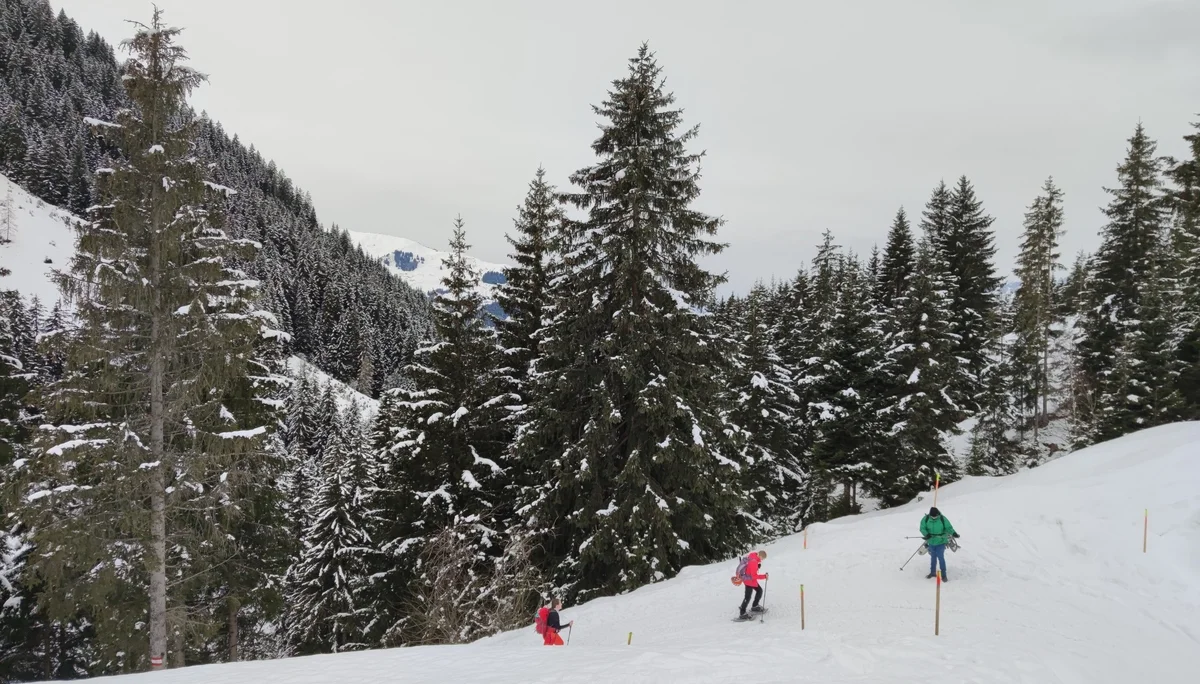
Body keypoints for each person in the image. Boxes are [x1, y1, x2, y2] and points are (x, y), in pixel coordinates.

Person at [920, 507, 959, 581]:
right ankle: (932, 572)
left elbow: (949, 528)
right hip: (931, 542)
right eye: (932, 516)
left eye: (935, 516)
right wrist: (926, 534)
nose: (934, 517)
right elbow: (922, 528)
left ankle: (943, 575)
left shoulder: (942, 518)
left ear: (938, 514)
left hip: (941, 541)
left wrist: (954, 533)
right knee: (933, 558)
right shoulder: (926, 519)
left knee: (941, 558)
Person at [737, 550, 769, 619]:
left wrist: (757, 566)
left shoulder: (753, 556)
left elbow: (750, 568)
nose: (762, 560)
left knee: (759, 591)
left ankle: (755, 606)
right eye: (762, 558)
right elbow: (754, 576)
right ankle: (742, 613)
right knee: (748, 597)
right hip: (749, 581)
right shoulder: (754, 562)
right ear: (760, 556)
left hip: (751, 580)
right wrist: (764, 576)